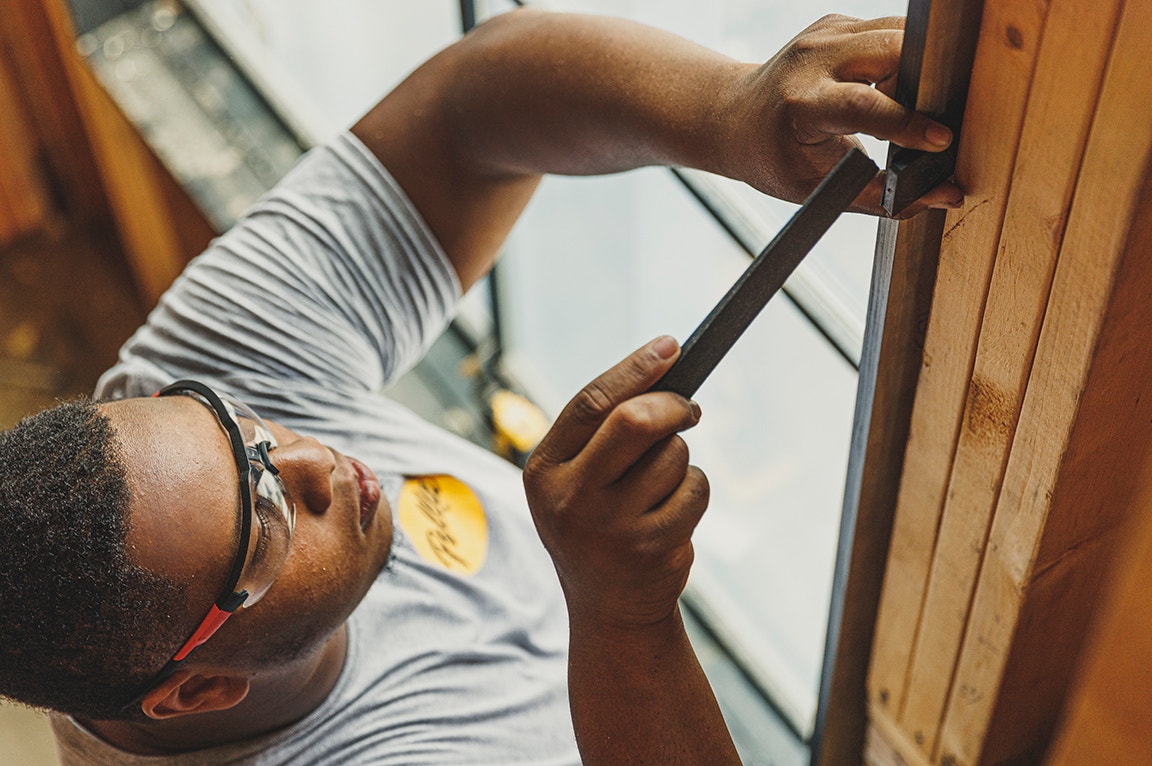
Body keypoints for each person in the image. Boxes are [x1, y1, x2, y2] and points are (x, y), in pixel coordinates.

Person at [0, 8, 959, 764]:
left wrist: (726, 112)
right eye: (269, 522)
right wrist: (624, 621)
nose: (309, 458)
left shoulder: (185, 409)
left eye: (243, 427)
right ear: (197, 692)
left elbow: (470, 114)